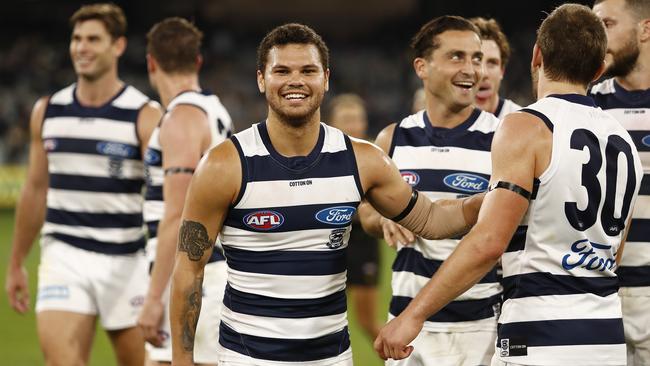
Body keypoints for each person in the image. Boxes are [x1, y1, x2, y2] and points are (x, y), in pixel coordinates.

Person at [169, 23, 486, 366]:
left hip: (332, 359)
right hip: (246, 358)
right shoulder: (223, 165)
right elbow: (189, 270)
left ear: (326, 78)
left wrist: (504, 195)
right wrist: (181, 360)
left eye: (308, 70)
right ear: (261, 79)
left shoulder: (362, 160)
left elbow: (434, 220)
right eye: (282, 71)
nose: (296, 80)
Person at [374, 4, 642, 366]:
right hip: (605, 334)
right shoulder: (622, 139)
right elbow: (615, 253)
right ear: (597, 69)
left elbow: (488, 242)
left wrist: (412, 315)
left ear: (537, 56)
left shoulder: (526, 126)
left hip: (539, 334)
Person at [4, 3, 163, 366]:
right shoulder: (48, 110)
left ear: (118, 46)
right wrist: (16, 262)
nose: (81, 47)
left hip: (126, 262)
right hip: (65, 256)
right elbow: (35, 189)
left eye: (93, 39)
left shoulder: (144, 115)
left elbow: (165, 199)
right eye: (77, 39)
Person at [360, 15, 502, 366]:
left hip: (479, 327)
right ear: (422, 67)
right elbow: (364, 211)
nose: (472, 70)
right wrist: (383, 220)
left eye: (477, 58)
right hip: (407, 329)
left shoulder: (504, 139)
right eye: (457, 57)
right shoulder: (392, 139)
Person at [137, 17, 233, 366]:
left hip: (192, 281)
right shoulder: (214, 110)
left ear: (151, 63)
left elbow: (177, 214)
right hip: (209, 276)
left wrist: (153, 297)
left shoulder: (181, 118)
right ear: (197, 61)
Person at [590, 0, 650, 364]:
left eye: (608, 24)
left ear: (646, 29)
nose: (597, 38)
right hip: (598, 292)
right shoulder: (584, 106)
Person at [326, 93, 382, 341]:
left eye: (356, 119)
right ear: (332, 122)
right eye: (346, 119)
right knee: (321, 320)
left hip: (362, 243)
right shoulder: (322, 157)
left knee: (367, 321)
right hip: (327, 244)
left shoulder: (376, 157)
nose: (352, 125)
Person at [470, 17, 521, 119]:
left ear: (502, 71)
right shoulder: (439, 123)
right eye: (476, 61)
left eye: (492, 63)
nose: (484, 73)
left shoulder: (523, 122)